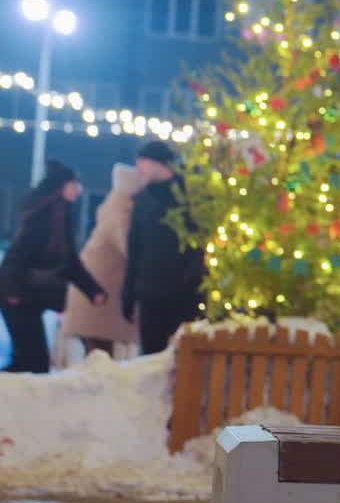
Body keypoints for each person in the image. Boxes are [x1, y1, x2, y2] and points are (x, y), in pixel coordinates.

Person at [0, 160, 106, 373]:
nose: (79, 190)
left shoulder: (61, 217)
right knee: (33, 363)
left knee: (31, 361)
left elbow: (70, 264)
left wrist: (93, 290)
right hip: (16, 296)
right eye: (74, 184)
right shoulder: (43, 218)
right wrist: (12, 291)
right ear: (61, 187)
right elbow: (18, 256)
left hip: (27, 297)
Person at [121, 141, 205, 355]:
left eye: (142, 161)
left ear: (157, 163)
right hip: (150, 293)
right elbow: (135, 248)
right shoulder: (143, 200)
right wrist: (128, 294)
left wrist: (193, 280)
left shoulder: (190, 198)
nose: (138, 168)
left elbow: (199, 244)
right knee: (151, 355)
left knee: (184, 356)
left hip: (184, 293)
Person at [60, 163, 145, 359]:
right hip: (98, 297)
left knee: (97, 355)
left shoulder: (115, 208)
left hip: (96, 295)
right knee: (99, 358)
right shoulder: (120, 214)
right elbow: (130, 249)